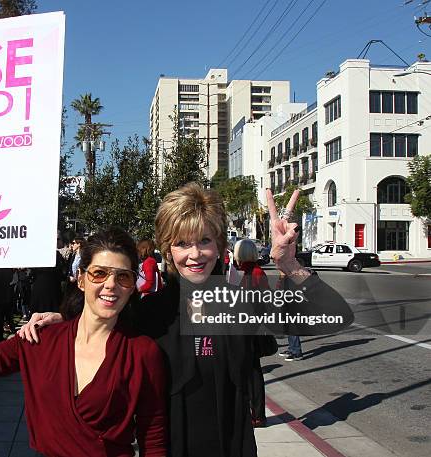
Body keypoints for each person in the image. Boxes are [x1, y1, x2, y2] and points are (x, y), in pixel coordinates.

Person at [20, 183, 353, 456]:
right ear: (168, 250)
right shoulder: (149, 312)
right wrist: (62, 320)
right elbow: (98, 313)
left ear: (220, 245)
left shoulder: (238, 305)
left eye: (205, 241)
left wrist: (288, 264)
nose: (194, 254)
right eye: (182, 243)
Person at [0, 228, 167, 457]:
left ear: (132, 287)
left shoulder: (142, 352)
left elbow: (153, 436)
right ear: (81, 279)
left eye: (123, 276)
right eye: (99, 273)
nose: (111, 284)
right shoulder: (41, 339)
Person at [233, 239, 270, 428]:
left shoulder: (235, 273)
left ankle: (245, 410)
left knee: (241, 370)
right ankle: (258, 414)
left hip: (238, 326)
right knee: (255, 371)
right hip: (254, 327)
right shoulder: (258, 272)